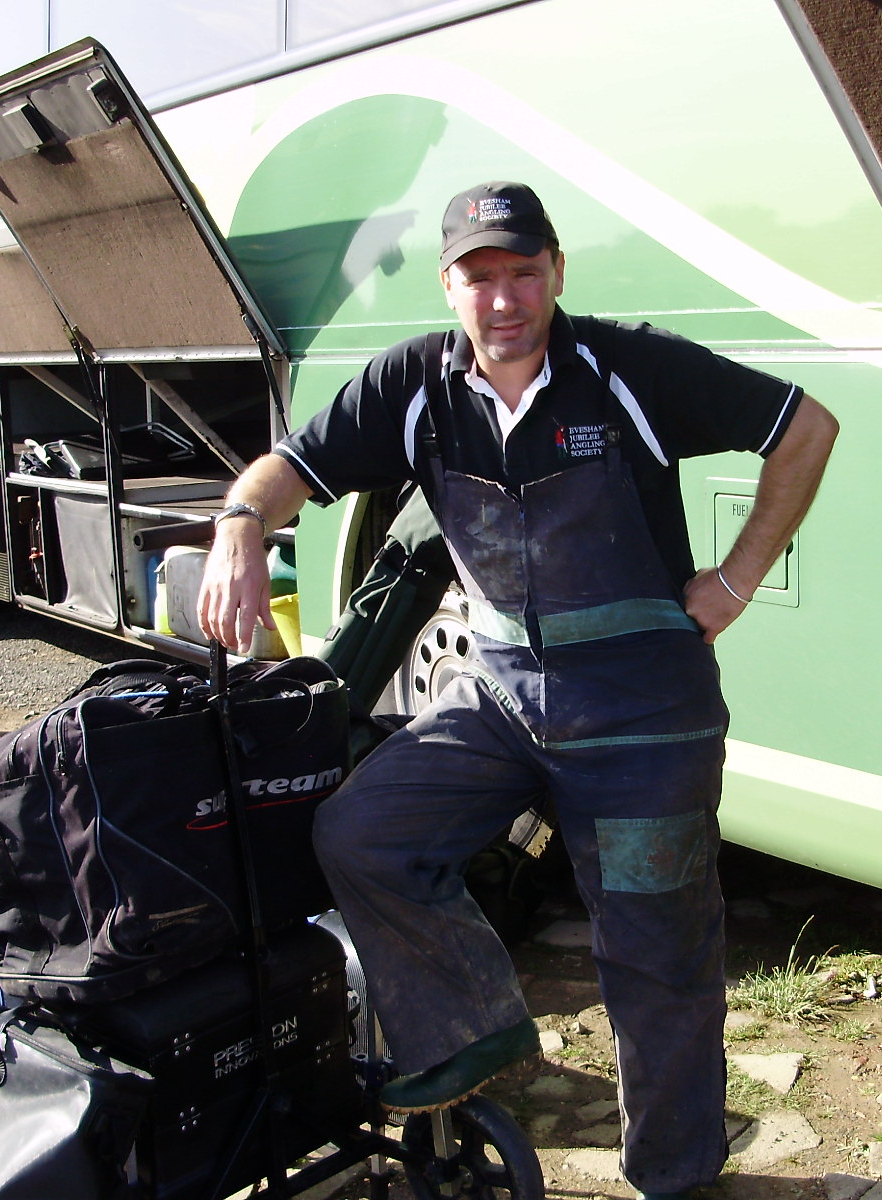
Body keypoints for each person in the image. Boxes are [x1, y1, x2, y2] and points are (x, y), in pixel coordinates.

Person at [198, 181, 838, 1198]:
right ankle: (473, 1029)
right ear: (449, 285)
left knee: (656, 961)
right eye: (480, 276)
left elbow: (804, 426)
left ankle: (674, 1176)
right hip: (499, 697)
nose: (504, 299)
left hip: (643, 716)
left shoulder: (627, 368)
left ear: (557, 274)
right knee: (361, 833)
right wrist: (238, 529)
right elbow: (291, 465)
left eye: (524, 273)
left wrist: (735, 579)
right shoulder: (412, 384)